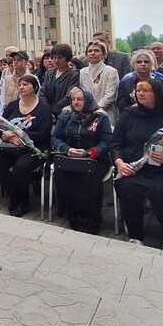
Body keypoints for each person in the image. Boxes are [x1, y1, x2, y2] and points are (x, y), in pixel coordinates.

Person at [112, 78, 163, 251]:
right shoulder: (128, 115)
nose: (140, 93)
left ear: (157, 94)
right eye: (138, 90)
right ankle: (135, 237)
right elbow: (115, 144)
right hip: (137, 169)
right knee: (127, 186)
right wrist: (119, 162)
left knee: (161, 191)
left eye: (146, 90)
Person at [0, 73, 52, 217]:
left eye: (26, 84)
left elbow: (44, 134)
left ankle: (23, 202)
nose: (21, 87)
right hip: (11, 146)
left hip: (35, 147)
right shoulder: (12, 106)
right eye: (20, 84)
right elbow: (1, 126)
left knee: (20, 168)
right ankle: (16, 197)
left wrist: (19, 135)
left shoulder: (44, 108)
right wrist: (6, 136)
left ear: (35, 87)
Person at [51, 87, 112, 233]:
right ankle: (74, 216)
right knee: (64, 175)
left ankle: (91, 218)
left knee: (88, 177)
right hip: (70, 155)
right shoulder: (66, 115)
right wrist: (67, 149)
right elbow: (55, 137)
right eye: (73, 99)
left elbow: (107, 141)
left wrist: (90, 153)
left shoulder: (101, 117)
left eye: (80, 99)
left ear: (88, 100)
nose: (76, 102)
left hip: (95, 157)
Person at [115, 49, 163, 114]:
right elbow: (121, 105)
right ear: (133, 64)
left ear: (152, 64)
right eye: (139, 62)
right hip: (133, 116)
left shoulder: (161, 80)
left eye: (146, 62)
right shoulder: (125, 81)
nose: (143, 64)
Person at [79, 40, 119, 121]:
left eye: (96, 51)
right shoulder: (82, 72)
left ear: (104, 54)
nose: (92, 53)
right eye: (90, 51)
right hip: (85, 115)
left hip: (106, 115)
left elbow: (110, 96)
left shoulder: (111, 71)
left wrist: (95, 110)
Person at [38, 44, 80, 116]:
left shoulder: (74, 74)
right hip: (47, 112)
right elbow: (43, 92)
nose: (57, 60)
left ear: (67, 58)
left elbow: (69, 95)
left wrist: (54, 110)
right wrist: (46, 109)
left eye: (60, 58)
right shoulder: (49, 72)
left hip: (64, 113)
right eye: (54, 57)